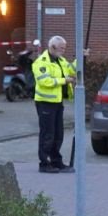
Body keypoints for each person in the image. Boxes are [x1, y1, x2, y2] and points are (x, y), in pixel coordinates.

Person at [33, 35, 76, 173]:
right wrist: (64, 81)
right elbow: (45, 81)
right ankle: (44, 164)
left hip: (57, 102)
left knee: (58, 134)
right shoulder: (41, 62)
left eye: (64, 48)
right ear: (52, 47)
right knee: (47, 134)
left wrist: (81, 58)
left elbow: (72, 69)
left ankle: (56, 162)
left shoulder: (60, 60)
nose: (63, 51)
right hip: (45, 103)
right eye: (61, 48)